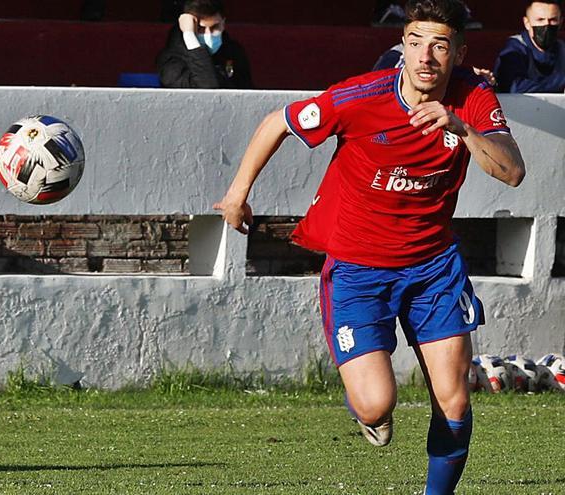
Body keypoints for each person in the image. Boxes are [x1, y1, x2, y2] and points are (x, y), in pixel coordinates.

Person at [214, 1, 525, 493]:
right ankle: (364, 403)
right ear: (402, 46)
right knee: (377, 404)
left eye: (440, 45)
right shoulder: (360, 97)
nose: (426, 56)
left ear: (459, 53)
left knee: (455, 400)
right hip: (359, 269)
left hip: (434, 266)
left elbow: (512, 171)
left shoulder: (473, 98)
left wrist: (461, 129)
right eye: (416, 42)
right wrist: (236, 195)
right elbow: (278, 122)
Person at [156, 0, 253, 89]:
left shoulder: (233, 51)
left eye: (215, 27)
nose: (208, 35)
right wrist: (190, 37)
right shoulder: (170, 61)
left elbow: (247, 92)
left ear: (223, 23)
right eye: (200, 29)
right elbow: (209, 88)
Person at [494, 0, 565, 93]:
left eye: (553, 20)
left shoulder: (562, 49)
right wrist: (559, 86)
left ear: (561, 22)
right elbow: (515, 87)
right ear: (527, 23)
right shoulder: (514, 50)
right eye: (540, 20)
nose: (546, 24)